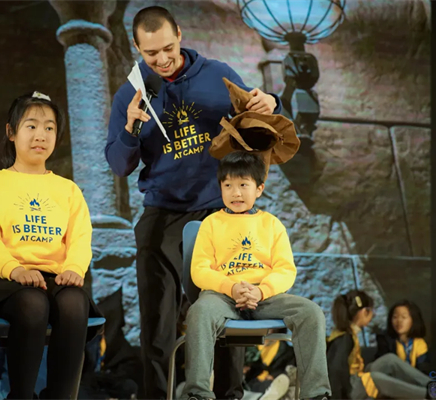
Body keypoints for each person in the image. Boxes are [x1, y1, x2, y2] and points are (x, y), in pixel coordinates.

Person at [104, 6, 282, 399]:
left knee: (226, 311)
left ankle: (231, 394)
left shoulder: (217, 74)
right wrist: (131, 127)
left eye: (168, 48)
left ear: (180, 35)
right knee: (158, 321)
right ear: (137, 48)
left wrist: (272, 103)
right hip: (162, 212)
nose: (163, 59)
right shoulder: (131, 93)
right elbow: (118, 164)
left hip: (217, 211)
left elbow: (258, 119)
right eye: (152, 53)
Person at [0, 92, 103, 400]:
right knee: (33, 303)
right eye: (31, 126)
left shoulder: (68, 189)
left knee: (75, 302)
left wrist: (74, 268)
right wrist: (16, 270)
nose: (40, 135)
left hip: (53, 280)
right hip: (3, 281)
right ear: (11, 132)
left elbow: (80, 238)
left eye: (49, 128)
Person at [181, 151, 332, 400]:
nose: (236, 193)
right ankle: (198, 393)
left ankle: (316, 394)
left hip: (265, 297)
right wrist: (231, 288)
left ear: (259, 189)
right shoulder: (211, 223)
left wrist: (260, 291)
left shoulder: (272, 224)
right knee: (199, 311)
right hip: (222, 297)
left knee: (311, 313)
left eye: (243, 185)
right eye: (228, 185)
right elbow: (200, 270)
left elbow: (285, 269)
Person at [326, 290, 436, 400]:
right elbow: (335, 371)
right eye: (371, 311)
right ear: (364, 312)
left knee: (389, 360)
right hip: (350, 389)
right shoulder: (344, 338)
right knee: (374, 378)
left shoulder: (350, 333)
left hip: (356, 379)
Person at [375, 300, 431, 374]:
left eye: (404, 317)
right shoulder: (385, 340)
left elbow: (424, 370)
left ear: (414, 320)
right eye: (395, 317)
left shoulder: (420, 343)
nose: (399, 321)